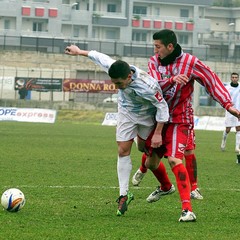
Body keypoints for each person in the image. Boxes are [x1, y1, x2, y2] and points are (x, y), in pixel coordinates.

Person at [133, 29, 240, 222]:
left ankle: (187, 210)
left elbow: (212, 82)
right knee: (151, 162)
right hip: (158, 118)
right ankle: (165, 187)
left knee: (176, 159)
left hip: (180, 119)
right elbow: (154, 86)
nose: (155, 51)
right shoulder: (153, 62)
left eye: (158, 47)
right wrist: (172, 80)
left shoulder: (191, 62)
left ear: (170, 46)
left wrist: (228, 105)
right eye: (154, 47)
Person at [64, 45, 170, 216]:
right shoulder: (115, 68)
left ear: (129, 76)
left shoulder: (148, 86)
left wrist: (158, 132)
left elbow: (162, 106)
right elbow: (98, 55)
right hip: (126, 114)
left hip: (146, 116)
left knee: (142, 149)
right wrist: (79, 52)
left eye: (119, 83)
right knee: (122, 150)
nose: (117, 86)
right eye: (114, 83)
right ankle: (124, 194)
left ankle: (157, 178)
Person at [132, 127, 203, 200]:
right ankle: (143, 169)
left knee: (188, 151)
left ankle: (194, 189)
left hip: (181, 121)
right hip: (160, 122)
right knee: (150, 150)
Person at [221, 72, 240, 152]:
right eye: (233, 77)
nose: (235, 79)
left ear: (238, 78)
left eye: (236, 77)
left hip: (238, 110)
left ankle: (237, 147)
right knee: (228, 129)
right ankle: (223, 141)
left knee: (238, 128)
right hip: (230, 110)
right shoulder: (227, 88)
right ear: (231, 78)